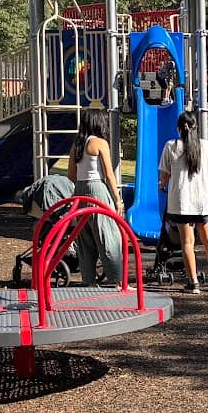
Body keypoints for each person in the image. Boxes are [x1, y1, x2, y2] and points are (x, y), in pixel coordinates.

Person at [158, 109, 208, 292]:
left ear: (178, 129)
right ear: (196, 127)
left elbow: (165, 175)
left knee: (187, 243)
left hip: (181, 202)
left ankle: (193, 282)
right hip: (202, 201)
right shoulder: (205, 146)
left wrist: (162, 185)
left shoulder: (171, 146)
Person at [69, 110, 124, 285]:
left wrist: (82, 186)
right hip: (96, 188)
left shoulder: (77, 144)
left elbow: (71, 174)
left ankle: (88, 280)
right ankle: (117, 279)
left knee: (85, 238)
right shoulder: (100, 143)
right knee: (107, 234)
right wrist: (117, 199)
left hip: (79, 189)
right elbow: (109, 174)